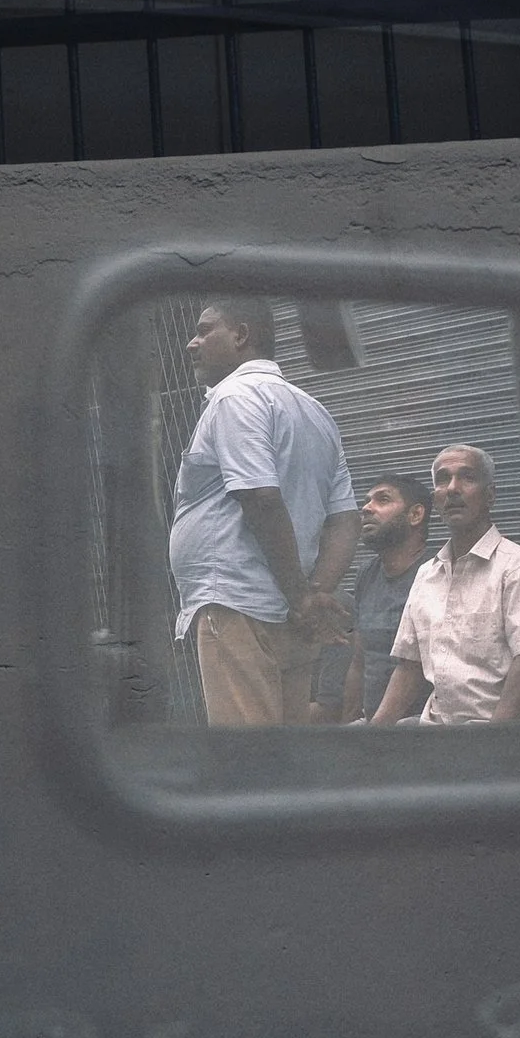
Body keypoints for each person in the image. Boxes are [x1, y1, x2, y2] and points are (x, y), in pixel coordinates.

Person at [168, 299, 359, 726]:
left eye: (204, 330)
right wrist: (313, 594)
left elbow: (260, 497)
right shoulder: (315, 411)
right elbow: (345, 520)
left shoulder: (234, 397)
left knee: (247, 756)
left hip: (238, 605)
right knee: (285, 752)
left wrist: (302, 597)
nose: (191, 343)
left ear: (241, 335)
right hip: (292, 617)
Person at [369, 445, 520, 725]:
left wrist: (494, 740)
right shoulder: (427, 574)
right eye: (442, 480)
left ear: (490, 495)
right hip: (436, 730)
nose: (452, 489)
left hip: (496, 733)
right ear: (435, 500)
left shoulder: (517, 567)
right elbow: (409, 667)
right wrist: (371, 738)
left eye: (467, 477)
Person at [322, 473, 434, 724]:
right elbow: (360, 659)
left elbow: (415, 668)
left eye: (383, 500)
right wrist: (351, 722)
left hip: (422, 727)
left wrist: (375, 733)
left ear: (416, 515)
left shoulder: (436, 574)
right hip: (373, 725)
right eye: (366, 501)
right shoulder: (367, 574)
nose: (366, 508)